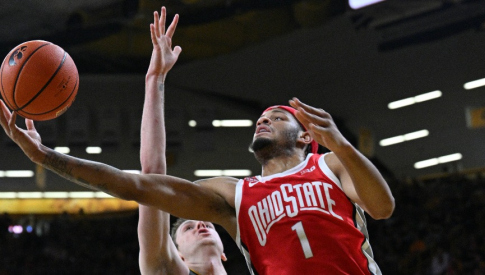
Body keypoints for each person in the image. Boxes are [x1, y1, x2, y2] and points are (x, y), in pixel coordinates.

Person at [0, 10, 395, 275]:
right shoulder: (233, 196)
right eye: (260, 118)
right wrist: (44, 155)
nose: (263, 120)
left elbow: (382, 207)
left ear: (307, 136)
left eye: (276, 117)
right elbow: (141, 182)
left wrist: (340, 143)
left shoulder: (330, 165)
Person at [137, 7, 228, 275]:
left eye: (208, 225)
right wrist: (155, 78)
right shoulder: (167, 269)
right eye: (189, 228)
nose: (202, 225)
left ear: (225, 253)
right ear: (179, 257)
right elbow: (152, 175)